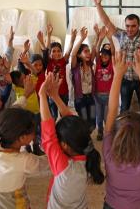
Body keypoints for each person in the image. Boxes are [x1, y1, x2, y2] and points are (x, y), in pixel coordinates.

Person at [39, 72, 104, 209]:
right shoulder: (87, 151)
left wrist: (42, 95)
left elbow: (48, 135)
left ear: (64, 145)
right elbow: (75, 124)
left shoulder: (64, 167)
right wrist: (54, 96)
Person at [102, 50, 140, 209]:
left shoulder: (109, 154)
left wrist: (117, 74)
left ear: (114, 136)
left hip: (111, 205)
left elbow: (112, 110)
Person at [0, 108, 48, 209]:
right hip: (12, 202)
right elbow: (47, 163)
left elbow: (8, 118)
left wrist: (25, 96)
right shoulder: (24, 161)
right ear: (22, 138)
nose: (35, 134)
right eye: (34, 132)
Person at [39, 25, 77, 119]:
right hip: (52, 92)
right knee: (53, 116)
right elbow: (46, 50)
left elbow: (69, 50)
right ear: (50, 53)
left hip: (64, 93)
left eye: (59, 51)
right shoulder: (48, 62)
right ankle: (54, 131)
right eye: (54, 51)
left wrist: (72, 39)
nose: (56, 53)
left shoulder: (63, 61)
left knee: (64, 115)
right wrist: (49, 34)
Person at [71, 27, 97, 131]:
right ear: (79, 55)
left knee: (92, 122)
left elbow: (95, 50)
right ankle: (85, 140)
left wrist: (98, 36)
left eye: (88, 51)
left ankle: (87, 136)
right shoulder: (75, 67)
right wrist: (82, 39)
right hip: (80, 99)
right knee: (84, 121)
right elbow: (73, 54)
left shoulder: (90, 64)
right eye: (86, 51)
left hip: (90, 97)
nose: (89, 53)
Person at [93, 25, 114, 140]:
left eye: (107, 54)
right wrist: (100, 38)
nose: (104, 56)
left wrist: (110, 38)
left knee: (107, 116)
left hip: (108, 95)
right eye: (103, 54)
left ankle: (108, 132)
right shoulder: (98, 64)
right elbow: (96, 51)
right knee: (99, 116)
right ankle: (100, 131)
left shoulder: (112, 65)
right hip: (97, 95)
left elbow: (114, 53)